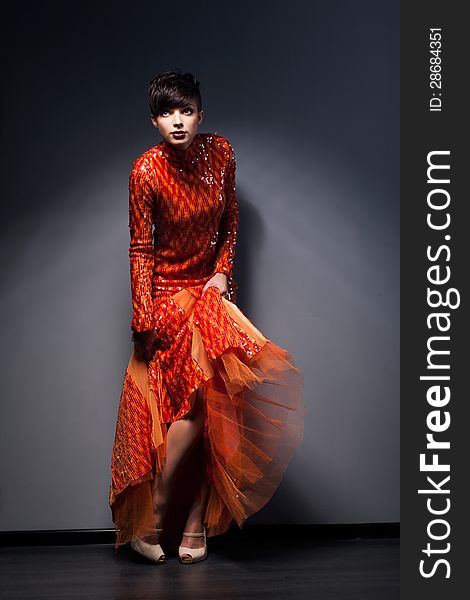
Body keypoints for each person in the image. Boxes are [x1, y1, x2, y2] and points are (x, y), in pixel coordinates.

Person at [108, 69, 305, 564]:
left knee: (213, 407)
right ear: (154, 120)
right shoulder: (145, 171)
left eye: (186, 110)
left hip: (209, 298)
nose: (178, 121)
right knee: (188, 409)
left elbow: (231, 219)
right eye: (166, 113)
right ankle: (157, 513)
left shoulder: (221, 153)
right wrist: (142, 320)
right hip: (165, 302)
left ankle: (191, 519)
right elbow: (140, 248)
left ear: (201, 113)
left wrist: (221, 275)